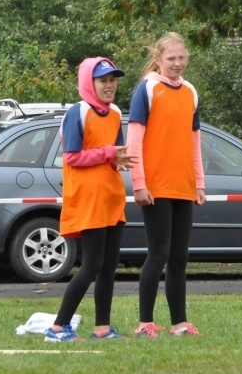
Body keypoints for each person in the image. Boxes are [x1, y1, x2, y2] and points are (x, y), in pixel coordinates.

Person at [45, 57, 135, 342]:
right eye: (103, 81)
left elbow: (115, 153)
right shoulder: (78, 112)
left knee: (109, 266)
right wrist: (109, 154)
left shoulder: (116, 112)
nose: (109, 86)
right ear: (89, 83)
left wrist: (118, 160)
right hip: (88, 199)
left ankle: (102, 328)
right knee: (92, 265)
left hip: (111, 197)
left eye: (113, 80)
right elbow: (71, 157)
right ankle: (57, 328)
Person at [127, 32, 207, 338]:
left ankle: (179, 324)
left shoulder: (190, 92)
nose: (176, 63)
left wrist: (199, 183)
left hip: (183, 186)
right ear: (158, 60)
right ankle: (145, 323)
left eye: (181, 58)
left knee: (179, 258)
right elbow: (134, 141)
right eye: (170, 58)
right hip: (155, 188)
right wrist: (139, 184)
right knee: (158, 254)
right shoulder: (147, 89)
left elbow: (194, 142)